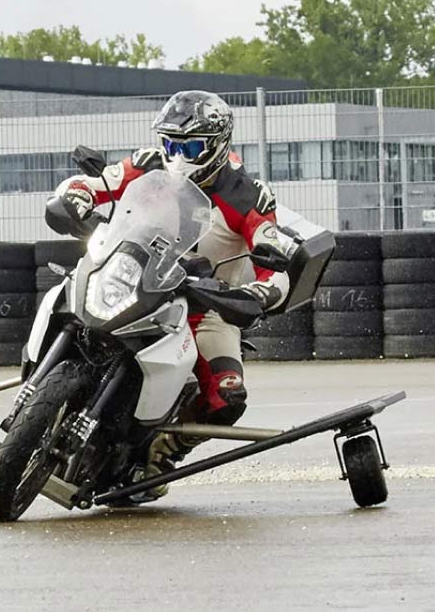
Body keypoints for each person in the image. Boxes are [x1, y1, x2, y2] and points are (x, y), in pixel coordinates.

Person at [52, 90, 291, 501]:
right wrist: (75, 196)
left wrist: (261, 291)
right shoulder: (146, 164)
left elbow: (276, 260)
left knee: (228, 396)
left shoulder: (249, 196)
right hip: (132, 278)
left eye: (192, 146)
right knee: (67, 300)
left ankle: (160, 456)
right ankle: (40, 403)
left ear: (218, 145)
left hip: (205, 307)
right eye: (171, 144)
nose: (178, 156)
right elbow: (93, 182)